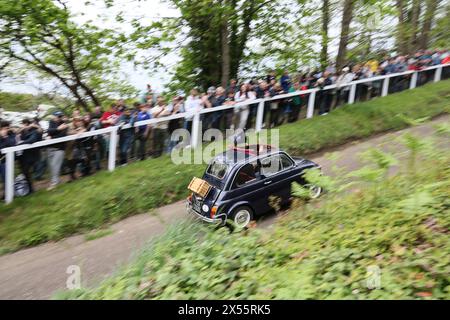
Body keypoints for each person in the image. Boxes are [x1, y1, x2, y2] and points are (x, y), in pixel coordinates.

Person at [16, 118, 42, 193]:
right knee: (25, 173)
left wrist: (20, 143)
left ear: (27, 124)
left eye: (23, 124)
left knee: (27, 172)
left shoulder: (34, 131)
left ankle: (31, 189)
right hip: (23, 156)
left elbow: (32, 140)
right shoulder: (22, 131)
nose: (22, 125)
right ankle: (28, 188)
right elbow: (16, 138)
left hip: (31, 156)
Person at [47, 111, 68, 190]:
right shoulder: (51, 122)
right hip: (50, 148)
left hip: (60, 148)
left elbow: (61, 136)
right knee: (51, 167)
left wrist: (52, 136)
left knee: (54, 165)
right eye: (56, 116)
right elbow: (49, 131)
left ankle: (54, 184)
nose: (58, 118)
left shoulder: (64, 124)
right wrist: (58, 129)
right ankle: (57, 180)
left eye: (59, 116)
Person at [65, 117, 86, 181]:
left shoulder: (80, 125)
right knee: (70, 161)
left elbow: (84, 129)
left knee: (77, 160)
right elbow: (67, 133)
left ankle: (77, 174)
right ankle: (71, 176)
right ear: (74, 121)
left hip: (77, 145)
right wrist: (76, 132)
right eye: (77, 121)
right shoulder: (68, 125)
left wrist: (81, 130)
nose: (78, 122)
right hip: (69, 146)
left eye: (79, 121)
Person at [0, 120, 16, 198]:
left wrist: (5, 137)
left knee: (6, 179)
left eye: (8, 128)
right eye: (5, 128)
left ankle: (6, 195)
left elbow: (12, 144)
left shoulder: (11, 134)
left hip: (5, 161)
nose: (7, 130)